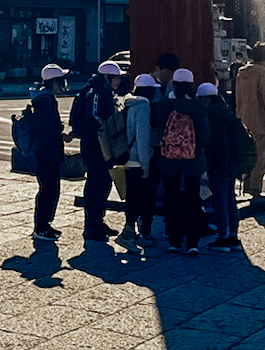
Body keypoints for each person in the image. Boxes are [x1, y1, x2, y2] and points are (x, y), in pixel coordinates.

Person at [152, 69, 208, 253]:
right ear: (191, 85)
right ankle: (192, 242)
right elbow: (204, 136)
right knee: (193, 199)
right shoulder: (198, 107)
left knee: (171, 198)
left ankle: (174, 240)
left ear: (173, 84)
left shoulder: (163, 105)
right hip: (193, 161)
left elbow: (155, 126)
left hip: (169, 159)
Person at [68, 60, 123, 241]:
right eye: (116, 78)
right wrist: (110, 128)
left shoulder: (104, 91)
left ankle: (98, 221)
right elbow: (94, 116)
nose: (119, 81)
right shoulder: (96, 92)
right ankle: (91, 225)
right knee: (96, 183)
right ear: (107, 77)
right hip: (95, 144)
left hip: (103, 144)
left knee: (104, 182)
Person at [198, 81, 252, 251]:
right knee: (230, 199)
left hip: (217, 164)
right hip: (231, 164)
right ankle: (232, 236)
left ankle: (223, 238)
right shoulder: (228, 114)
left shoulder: (210, 117)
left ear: (206, 99)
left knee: (220, 200)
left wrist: (205, 168)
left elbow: (209, 144)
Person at [27, 64, 67, 242]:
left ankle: (45, 224)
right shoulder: (46, 101)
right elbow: (47, 130)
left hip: (47, 153)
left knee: (50, 189)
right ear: (55, 82)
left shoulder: (44, 98)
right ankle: (41, 227)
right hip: (47, 154)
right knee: (48, 190)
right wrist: (59, 130)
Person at [235, 43, 265, 205]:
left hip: (244, 120)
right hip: (261, 122)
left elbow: (238, 99)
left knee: (247, 158)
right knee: (260, 160)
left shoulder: (241, 73)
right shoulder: (263, 74)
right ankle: (255, 191)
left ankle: (246, 188)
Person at [120, 74, 158, 242]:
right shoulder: (143, 106)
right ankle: (134, 232)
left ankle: (129, 228)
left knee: (131, 195)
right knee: (142, 196)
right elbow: (143, 136)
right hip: (138, 157)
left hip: (125, 155)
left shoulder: (127, 103)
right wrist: (146, 163)